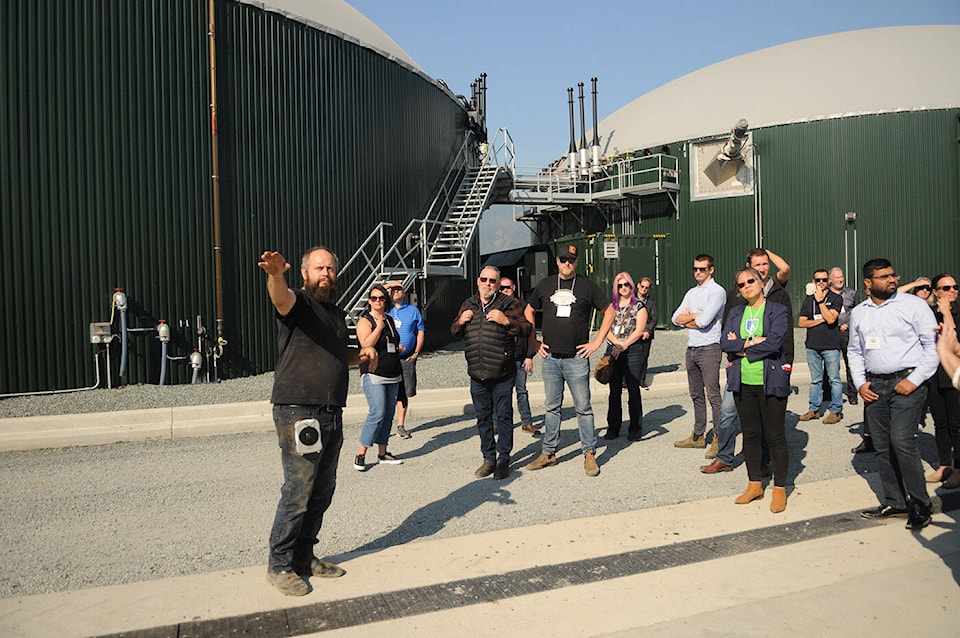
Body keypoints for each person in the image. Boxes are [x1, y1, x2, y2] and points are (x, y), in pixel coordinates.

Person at [258, 247, 377, 596]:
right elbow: (280, 300)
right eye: (318, 268)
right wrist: (275, 275)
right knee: (298, 491)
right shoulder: (300, 305)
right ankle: (279, 565)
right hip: (299, 410)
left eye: (330, 268)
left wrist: (361, 356)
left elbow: (338, 356)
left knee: (321, 491)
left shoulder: (336, 314)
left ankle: (304, 557)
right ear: (305, 274)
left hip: (330, 411)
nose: (325, 273)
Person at [849, 258, 939, 531]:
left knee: (901, 441)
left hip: (907, 383)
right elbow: (854, 351)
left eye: (893, 275)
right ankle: (895, 502)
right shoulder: (859, 312)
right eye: (884, 276)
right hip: (875, 387)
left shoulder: (914, 306)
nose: (892, 280)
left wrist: (914, 380)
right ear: (868, 283)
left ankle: (920, 504)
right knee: (882, 446)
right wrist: (860, 383)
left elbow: (931, 347)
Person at [524, 244, 616, 477]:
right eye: (563, 259)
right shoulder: (545, 285)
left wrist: (596, 342)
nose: (567, 263)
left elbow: (610, 311)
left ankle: (589, 453)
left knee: (583, 408)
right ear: (557, 261)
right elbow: (528, 310)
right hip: (551, 358)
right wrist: (534, 342)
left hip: (576, 358)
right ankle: (548, 452)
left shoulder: (586, 286)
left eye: (572, 260)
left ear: (576, 262)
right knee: (552, 407)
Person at [701, 247, 792, 474]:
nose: (761, 269)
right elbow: (727, 338)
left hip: (772, 366)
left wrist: (784, 360)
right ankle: (725, 457)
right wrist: (751, 343)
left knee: (765, 424)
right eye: (757, 265)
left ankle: (761, 461)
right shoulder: (736, 297)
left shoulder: (779, 294)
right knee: (727, 414)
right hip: (740, 368)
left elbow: (778, 339)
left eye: (764, 264)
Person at [720, 268, 792, 512]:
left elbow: (775, 342)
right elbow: (724, 343)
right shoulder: (736, 312)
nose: (747, 285)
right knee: (750, 435)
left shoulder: (778, 310)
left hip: (770, 380)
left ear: (762, 282)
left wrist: (740, 348)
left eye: (751, 281)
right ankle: (754, 485)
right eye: (741, 284)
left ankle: (780, 489)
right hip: (744, 381)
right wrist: (752, 342)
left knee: (775, 435)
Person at [452, 266, 532, 480]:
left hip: (503, 373)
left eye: (493, 281)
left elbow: (526, 329)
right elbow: (454, 331)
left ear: (498, 284)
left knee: (504, 416)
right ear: (478, 280)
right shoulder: (468, 304)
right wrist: (460, 321)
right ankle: (488, 458)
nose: (488, 284)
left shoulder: (508, 304)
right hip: (477, 374)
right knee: (483, 418)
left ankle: (503, 459)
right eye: (484, 279)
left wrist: (507, 321)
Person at [671, 254, 726, 449]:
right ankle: (698, 434)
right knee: (696, 394)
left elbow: (705, 322)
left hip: (710, 347)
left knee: (713, 394)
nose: (698, 272)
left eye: (702, 269)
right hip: (692, 348)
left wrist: (688, 319)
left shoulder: (717, 292)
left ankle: (720, 436)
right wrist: (694, 316)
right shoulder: (691, 293)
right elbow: (674, 318)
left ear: (711, 269)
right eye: (695, 269)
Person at [353, 284, 404, 472]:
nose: (377, 302)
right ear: (369, 301)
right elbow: (366, 344)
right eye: (374, 298)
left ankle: (383, 452)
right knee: (377, 412)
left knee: (389, 413)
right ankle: (361, 453)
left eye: (381, 298)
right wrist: (379, 326)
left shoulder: (390, 319)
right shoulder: (365, 321)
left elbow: (392, 341)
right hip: (373, 373)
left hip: (393, 372)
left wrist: (397, 347)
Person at [603, 271, 648, 441]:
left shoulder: (639, 306)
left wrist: (623, 345)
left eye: (626, 284)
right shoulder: (611, 307)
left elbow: (639, 330)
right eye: (619, 285)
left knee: (633, 389)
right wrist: (616, 344)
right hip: (613, 350)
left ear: (631, 285)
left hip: (632, 351)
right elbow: (605, 329)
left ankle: (635, 427)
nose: (623, 288)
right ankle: (613, 426)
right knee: (614, 391)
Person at [926, 274, 960, 488]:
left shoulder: (956, 313)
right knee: (940, 422)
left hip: (954, 373)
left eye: (955, 287)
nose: (952, 290)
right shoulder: (928, 313)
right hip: (934, 373)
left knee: (957, 424)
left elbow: (954, 340)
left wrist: (947, 313)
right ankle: (944, 464)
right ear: (935, 291)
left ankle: (958, 468)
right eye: (946, 287)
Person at [798, 269, 844, 424]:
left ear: (829, 281)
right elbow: (801, 322)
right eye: (818, 280)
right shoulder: (807, 300)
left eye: (824, 279)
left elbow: (831, 319)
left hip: (831, 346)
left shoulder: (836, 298)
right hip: (812, 346)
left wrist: (820, 302)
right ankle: (813, 409)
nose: (821, 283)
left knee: (834, 380)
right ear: (814, 281)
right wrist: (820, 320)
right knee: (815, 380)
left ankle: (836, 411)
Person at [499, 275, 541, 436]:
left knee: (521, 390)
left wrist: (530, 356)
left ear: (514, 288)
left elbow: (530, 331)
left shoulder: (523, 307)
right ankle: (498, 423)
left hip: (520, 356)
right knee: (502, 392)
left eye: (507, 288)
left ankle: (527, 422)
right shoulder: (496, 307)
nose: (505, 291)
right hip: (502, 357)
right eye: (501, 288)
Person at [386, 280, 425, 439]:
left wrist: (416, 352)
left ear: (404, 291)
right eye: (392, 289)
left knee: (403, 392)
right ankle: (384, 426)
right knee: (387, 393)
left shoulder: (413, 311)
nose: (395, 291)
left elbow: (420, 332)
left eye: (399, 289)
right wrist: (389, 286)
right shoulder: (384, 310)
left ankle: (400, 425)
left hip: (406, 359)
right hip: (388, 359)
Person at [635, 277, 657, 388]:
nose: (644, 289)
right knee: (631, 357)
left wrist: (648, 330)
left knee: (644, 356)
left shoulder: (651, 302)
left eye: (646, 288)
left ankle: (641, 380)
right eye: (642, 286)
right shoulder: (631, 300)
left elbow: (654, 318)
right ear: (638, 285)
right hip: (633, 333)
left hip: (646, 334)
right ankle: (626, 381)